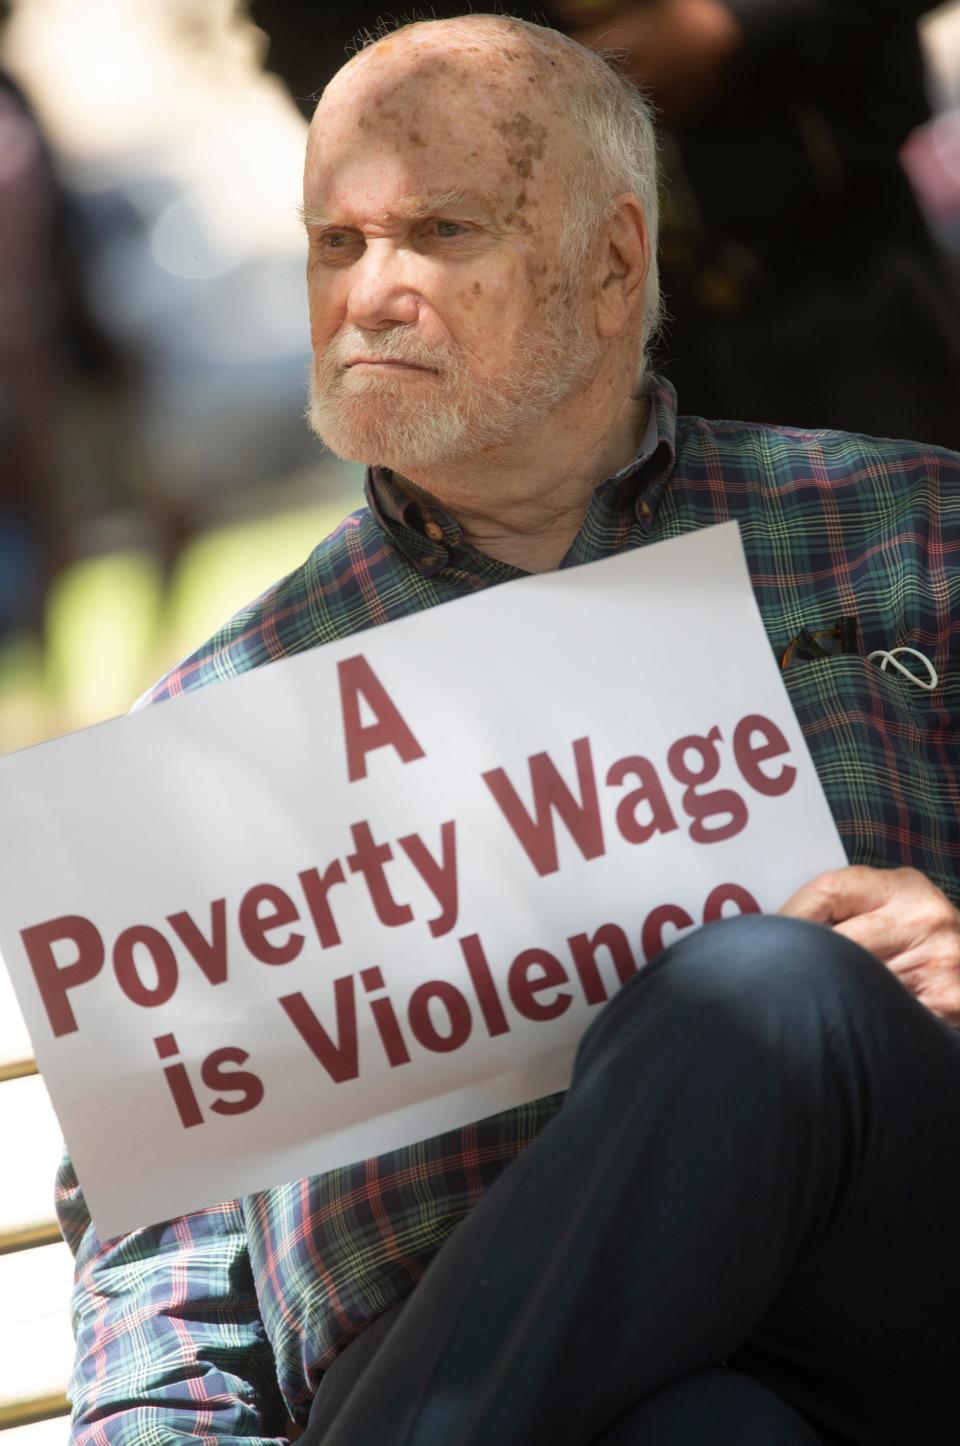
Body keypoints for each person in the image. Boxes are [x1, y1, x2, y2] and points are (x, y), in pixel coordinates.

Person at [56, 16, 960, 1445]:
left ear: (611, 263)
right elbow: (163, 1287)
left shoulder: (914, 534)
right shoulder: (210, 728)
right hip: (492, 1377)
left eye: (439, 231)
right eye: (335, 246)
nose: (373, 296)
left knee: (776, 1000)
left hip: (903, 1295)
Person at [247, 0, 960, 448]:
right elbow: (313, 41)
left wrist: (731, 22)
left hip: (834, 261)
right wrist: (533, 71)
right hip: (553, 331)